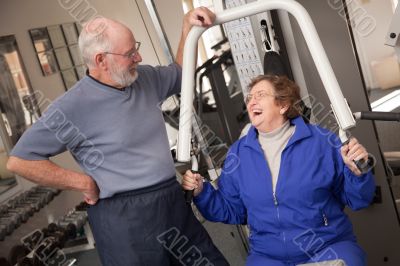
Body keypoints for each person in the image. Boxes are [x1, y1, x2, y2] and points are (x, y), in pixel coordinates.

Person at [7, 8, 229, 266]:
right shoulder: (71, 106)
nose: (139, 56)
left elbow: (182, 75)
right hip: (125, 220)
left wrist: (186, 30)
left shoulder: (143, 78)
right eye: (129, 53)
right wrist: (81, 182)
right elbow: (20, 160)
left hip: (171, 202)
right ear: (101, 60)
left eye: (136, 47)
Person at [182, 75, 376, 266]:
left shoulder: (322, 142)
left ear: (283, 105)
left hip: (326, 246)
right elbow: (233, 210)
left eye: (260, 95)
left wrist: (358, 173)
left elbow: (359, 200)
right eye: (250, 97)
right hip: (268, 255)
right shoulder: (238, 154)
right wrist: (202, 192)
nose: (252, 101)